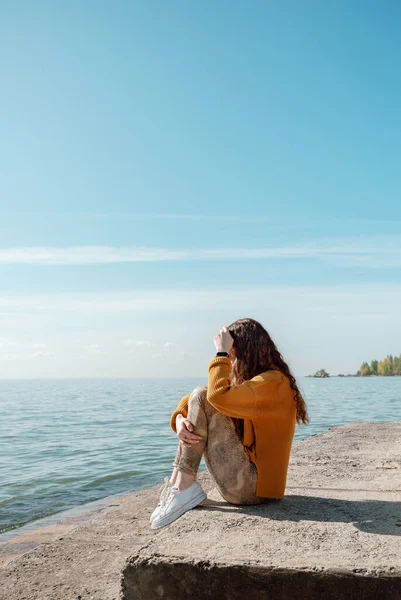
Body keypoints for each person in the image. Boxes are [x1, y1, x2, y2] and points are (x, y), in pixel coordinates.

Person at [150, 318, 309, 529]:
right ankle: (177, 486)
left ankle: (183, 488)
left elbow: (215, 395)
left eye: (233, 354)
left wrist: (220, 354)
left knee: (203, 394)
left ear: (245, 350)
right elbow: (204, 397)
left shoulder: (273, 382)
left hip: (252, 490)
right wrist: (180, 417)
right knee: (201, 395)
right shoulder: (262, 381)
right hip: (248, 486)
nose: (232, 362)